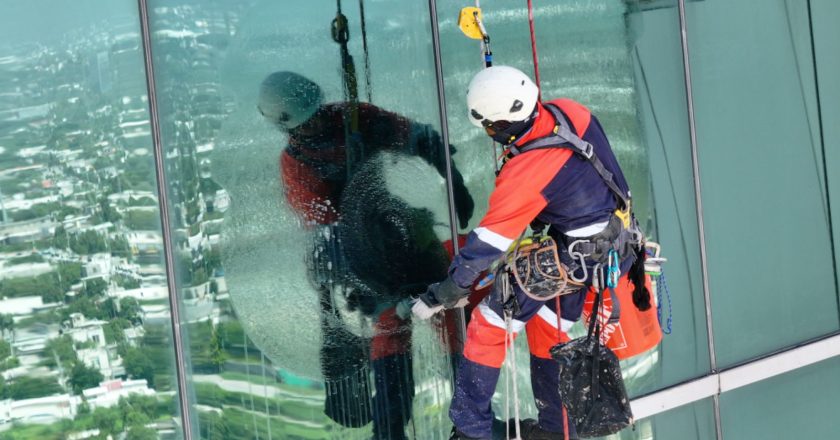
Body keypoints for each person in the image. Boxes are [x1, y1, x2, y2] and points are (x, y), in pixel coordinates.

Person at [412, 65, 657, 440]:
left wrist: (447, 292)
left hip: (574, 259)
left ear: (496, 126)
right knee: (549, 326)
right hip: (611, 245)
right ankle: (556, 430)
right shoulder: (570, 111)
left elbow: (486, 247)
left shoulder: (526, 173)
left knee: (489, 326)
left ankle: (470, 428)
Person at [259, 71, 475, 440]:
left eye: (316, 114)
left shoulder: (353, 118)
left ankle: (470, 418)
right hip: (360, 255)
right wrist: (359, 280)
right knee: (392, 327)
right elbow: (325, 228)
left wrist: (452, 178)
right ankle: (391, 431)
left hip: (394, 231)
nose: (316, 122)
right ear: (291, 129)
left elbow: (420, 139)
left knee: (448, 316)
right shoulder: (300, 162)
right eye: (307, 121)